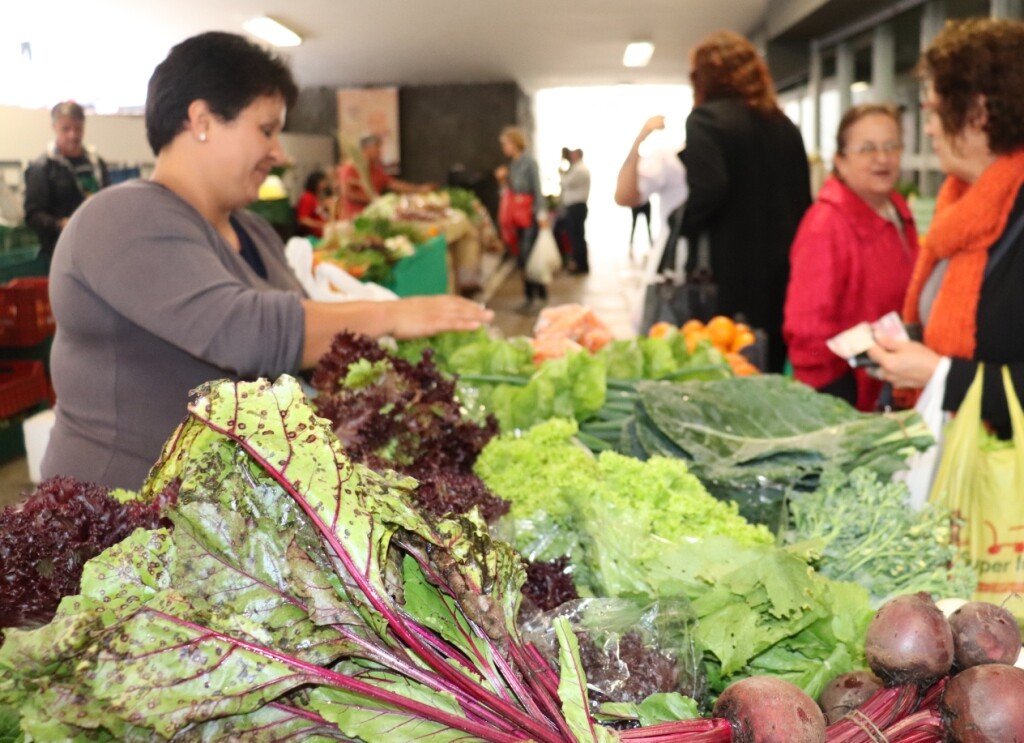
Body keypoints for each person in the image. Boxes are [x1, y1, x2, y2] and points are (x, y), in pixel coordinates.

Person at [40, 31, 492, 490]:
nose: (279, 152)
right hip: (123, 524)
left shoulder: (254, 231)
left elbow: (302, 361)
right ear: (202, 120)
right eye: (266, 129)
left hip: (227, 521)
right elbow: (244, 331)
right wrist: (394, 314)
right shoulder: (121, 217)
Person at [868, 17, 1024, 437]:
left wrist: (941, 374)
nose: (929, 129)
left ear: (979, 112)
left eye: (935, 112)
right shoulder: (959, 203)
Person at [679, 31, 811, 373]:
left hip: (729, 272)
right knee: (769, 366)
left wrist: (680, 222)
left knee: (727, 366)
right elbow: (802, 200)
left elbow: (709, 189)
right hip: (784, 271)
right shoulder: (784, 125)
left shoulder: (705, 120)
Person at [784, 103, 919, 411]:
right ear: (840, 161)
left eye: (891, 146)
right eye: (867, 149)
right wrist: (836, 402)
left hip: (893, 388)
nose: (882, 158)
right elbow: (806, 339)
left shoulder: (897, 208)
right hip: (851, 404)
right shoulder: (825, 225)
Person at [23, 100, 110, 263]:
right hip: (60, 254)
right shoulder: (42, 168)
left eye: (78, 129)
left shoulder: (96, 163)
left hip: (96, 248)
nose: (73, 135)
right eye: (66, 129)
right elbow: (32, 215)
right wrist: (59, 224)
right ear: (54, 127)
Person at [497, 126, 548, 313]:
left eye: (506, 143)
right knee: (521, 258)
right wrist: (502, 180)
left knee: (530, 258)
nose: (504, 147)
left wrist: (541, 214)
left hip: (529, 217)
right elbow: (509, 192)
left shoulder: (529, 163)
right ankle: (531, 296)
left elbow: (537, 189)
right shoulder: (513, 165)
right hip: (515, 218)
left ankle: (537, 296)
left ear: (514, 143)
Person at [335, 134, 436, 220]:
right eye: (377, 147)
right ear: (366, 149)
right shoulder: (349, 169)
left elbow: (394, 184)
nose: (380, 152)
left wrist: (419, 189)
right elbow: (347, 193)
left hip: (375, 218)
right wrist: (374, 199)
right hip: (354, 219)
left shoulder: (376, 170)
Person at [559, 148, 591, 274]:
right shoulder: (577, 169)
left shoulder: (579, 170)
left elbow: (566, 183)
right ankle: (580, 263)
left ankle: (580, 265)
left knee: (577, 237)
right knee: (577, 237)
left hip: (576, 207)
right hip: (576, 207)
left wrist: (561, 174)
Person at [295, 170, 333, 238]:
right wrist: (322, 225)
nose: (325, 184)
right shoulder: (307, 197)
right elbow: (303, 219)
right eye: (323, 181)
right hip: (313, 236)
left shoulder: (316, 196)